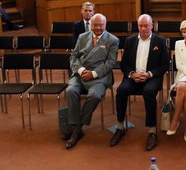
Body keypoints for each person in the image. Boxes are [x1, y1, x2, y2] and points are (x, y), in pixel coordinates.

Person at [110, 14, 169, 151]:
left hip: (152, 77)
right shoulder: (130, 41)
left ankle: (152, 131)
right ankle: (120, 127)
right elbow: (124, 64)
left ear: (151, 26)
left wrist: (149, 74)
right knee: (121, 91)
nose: (143, 29)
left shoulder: (160, 41)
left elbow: (165, 64)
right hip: (133, 76)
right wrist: (132, 74)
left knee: (148, 92)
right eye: (141, 26)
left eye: (146, 26)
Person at [63, 13, 118, 149]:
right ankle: (77, 128)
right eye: (95, 25)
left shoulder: (113, 40)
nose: (98, 27)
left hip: (99, 76)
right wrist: (81, 71)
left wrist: (93, 74)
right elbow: (73, 57)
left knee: (94, 96)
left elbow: (110, 63)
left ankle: (76, 127)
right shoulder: (82, 37)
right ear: (90, 25)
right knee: (70, 90)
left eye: (101, 25)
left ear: (105, 25)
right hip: (80, 73)